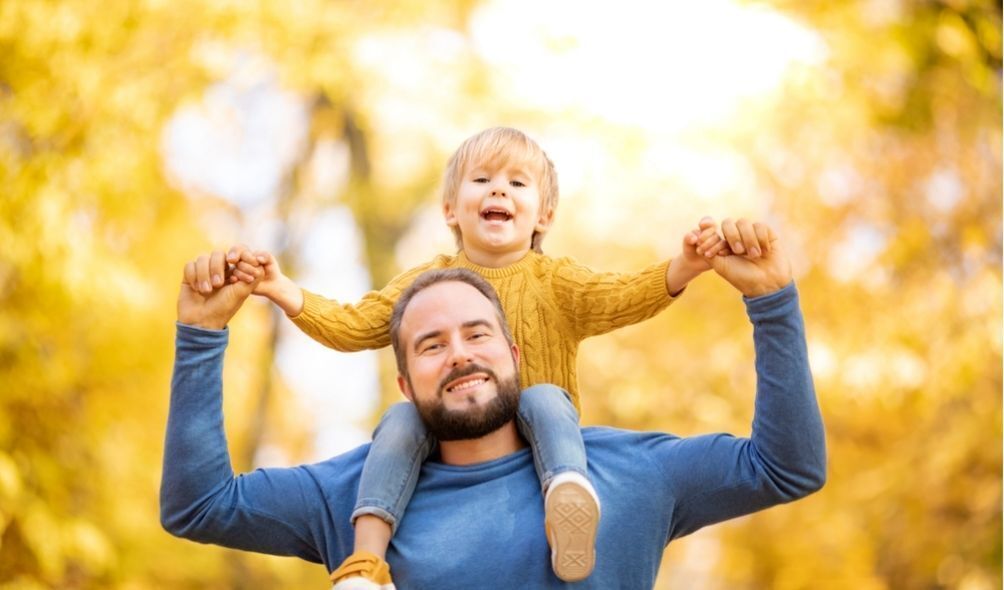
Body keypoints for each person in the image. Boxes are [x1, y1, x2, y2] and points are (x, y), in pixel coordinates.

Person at [184, 127, 738, 586]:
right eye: (482, 180)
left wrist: (685, 266)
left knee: (545, 398)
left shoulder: (559, 282)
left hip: (538, 437)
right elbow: (355, 325)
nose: (498, 191)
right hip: (450, 432)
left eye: (516, 183)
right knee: (399, 422)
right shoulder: (426, 283)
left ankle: (567, 495)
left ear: (542, 214)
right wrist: (282, 290)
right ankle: (365, 565)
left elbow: (621, 296)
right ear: (452, 208)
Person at [162, 220, 826, 589]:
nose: (458, 354)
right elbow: (198, 507)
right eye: (430, 345)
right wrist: (201, 336)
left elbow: (786, 468)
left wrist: (771, 301)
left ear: (512, 354)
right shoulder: (354, 494)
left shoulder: (628, 474)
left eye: (477, 334)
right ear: (404, 385)